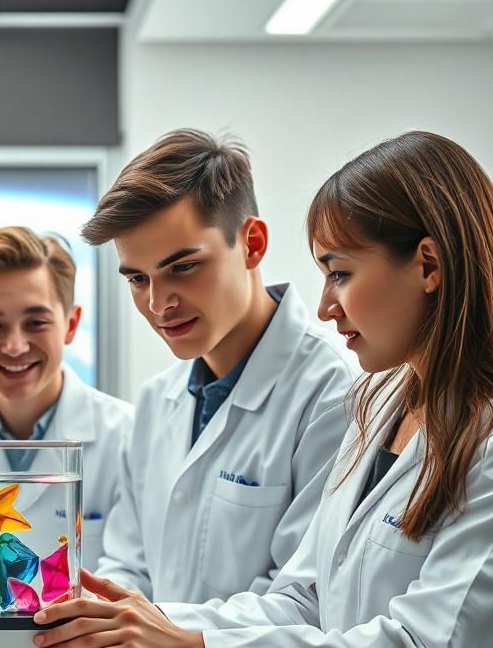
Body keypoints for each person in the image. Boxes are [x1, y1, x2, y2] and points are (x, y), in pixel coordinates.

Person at [34, 131, 493, 648]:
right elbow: (306, 597)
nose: (330, 305)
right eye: (138, 278)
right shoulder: (378, 403)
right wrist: (141, 633)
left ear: (427, 265)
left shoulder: (456, 431)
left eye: (341, 273)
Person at [85, 129, 355, 602]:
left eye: (183, 267)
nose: (158, 303)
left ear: (251, 243)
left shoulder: (331, 392)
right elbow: (129, 563)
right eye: (137, 279)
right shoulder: (155, 400)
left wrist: (163, 639)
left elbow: (305, 598)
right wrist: (103, 616)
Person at [0, 226, 134, 569]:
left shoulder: (127, 435)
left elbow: (138, 574)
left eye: (36, 322)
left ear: (71, 324)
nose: (15, 346)